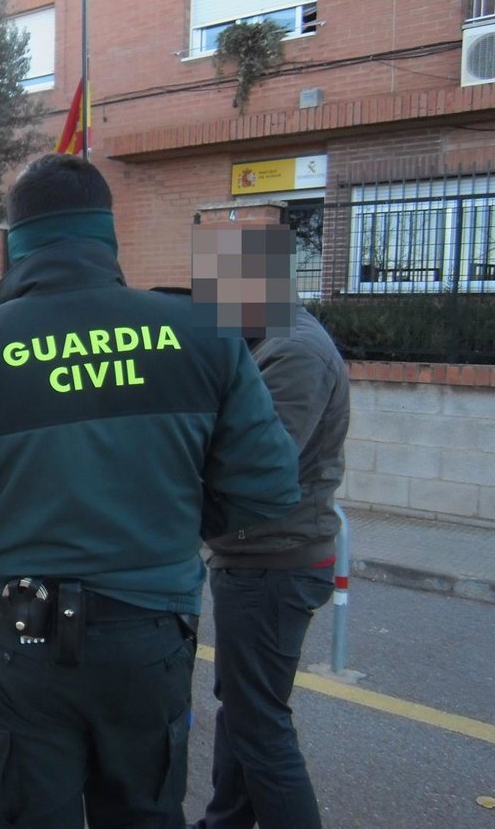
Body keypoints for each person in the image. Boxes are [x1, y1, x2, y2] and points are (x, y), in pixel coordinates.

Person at [0, 153, 301, 829]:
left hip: (19, 635)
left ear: (16, 242)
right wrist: (173, 525)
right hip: (151, 635)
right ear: (108, 234)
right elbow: (271, 486)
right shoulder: (202, 330)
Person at [191, 304, 350, 829]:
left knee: (259, 724)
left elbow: (258, 463)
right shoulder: (267, 339)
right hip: (258, 555)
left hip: (273, 562)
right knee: (243, 710)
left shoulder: (295, 351)